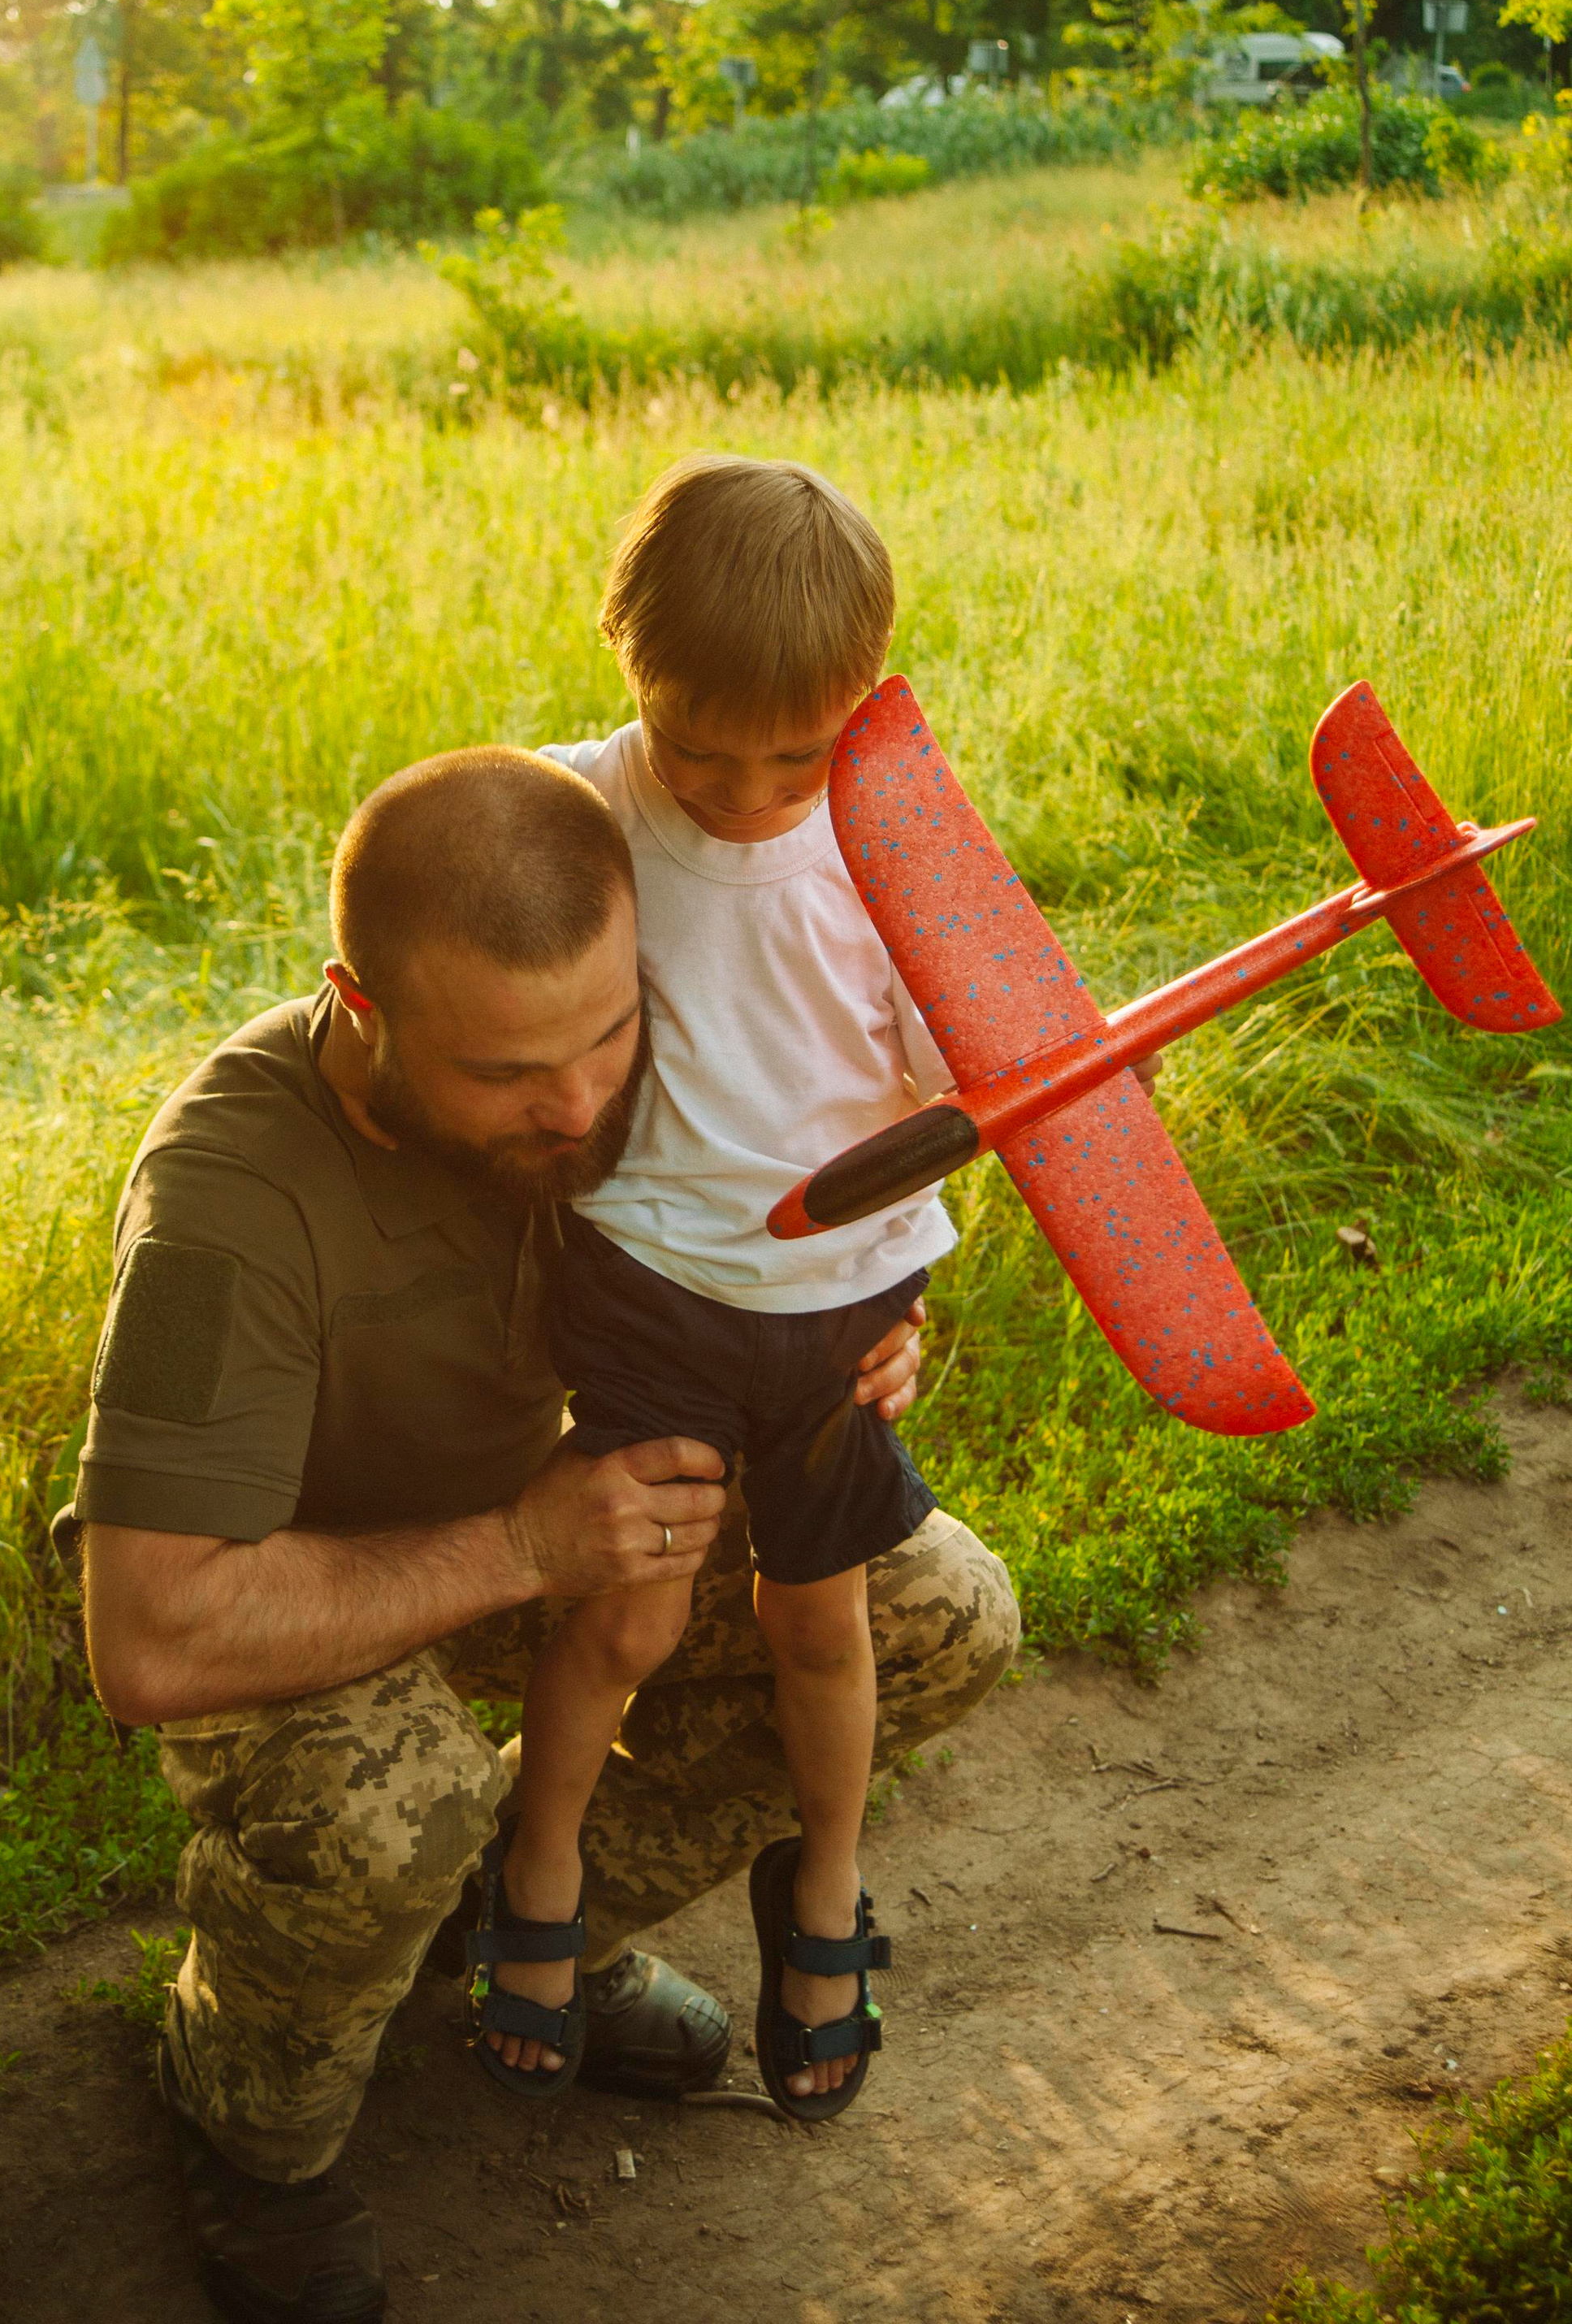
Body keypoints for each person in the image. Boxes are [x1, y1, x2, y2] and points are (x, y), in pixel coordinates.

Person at [76, 742, 1020, 2324]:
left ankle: (524, 1922)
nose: (581, 1103)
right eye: (509, 1076)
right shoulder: (223, 1198)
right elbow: (151, 1634)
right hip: (307, 1588)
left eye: (609, 1031)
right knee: (392, 1811)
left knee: (939, 1619)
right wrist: (522, 1547)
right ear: (362, 1011)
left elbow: (820, 1185)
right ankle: (247, 2112)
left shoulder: (620, 1050)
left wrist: (861, 1330)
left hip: (575, 1521)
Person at [462, 456, 985, 2122]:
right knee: (623, 1610)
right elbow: (447, 938)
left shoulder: (889, 850)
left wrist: (903, 1297)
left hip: (826, 1318)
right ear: (626, 660)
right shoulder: (570, 810)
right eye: (695, 744)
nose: (745, 787)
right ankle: (535, 1876)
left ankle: (822, 1896)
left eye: (797, 750)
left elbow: (950, 1099)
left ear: (862, 707)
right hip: (646, 1295)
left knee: (817, 1628)